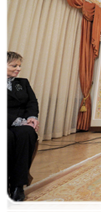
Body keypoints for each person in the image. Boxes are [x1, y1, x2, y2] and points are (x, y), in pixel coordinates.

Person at [5, 51, 39, 208]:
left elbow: (32, 102)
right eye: (14, 65)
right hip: (5, 122)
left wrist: (32, 117)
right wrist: (16, 121)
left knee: (27, 133)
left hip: (22, 124)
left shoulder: (22, 82)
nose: (18, 69)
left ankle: (18, 186)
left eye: (19, 65)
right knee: (6, 138)